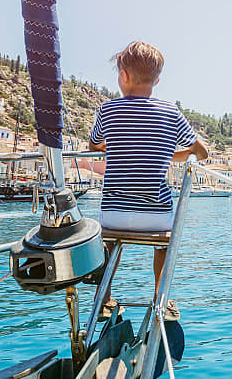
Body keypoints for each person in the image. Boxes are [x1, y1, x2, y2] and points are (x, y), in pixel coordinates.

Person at [89, 41, 209, 320]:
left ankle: (105, 298)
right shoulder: (171, 113)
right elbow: (201, 152)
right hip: (155, 216)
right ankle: (160, 297)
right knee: (163, 244)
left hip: (114, 214)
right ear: (157, 80)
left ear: (124, 76)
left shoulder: (108, 111)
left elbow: (94, 145)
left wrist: (118, 146)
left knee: (109, 243)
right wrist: (167, 153)